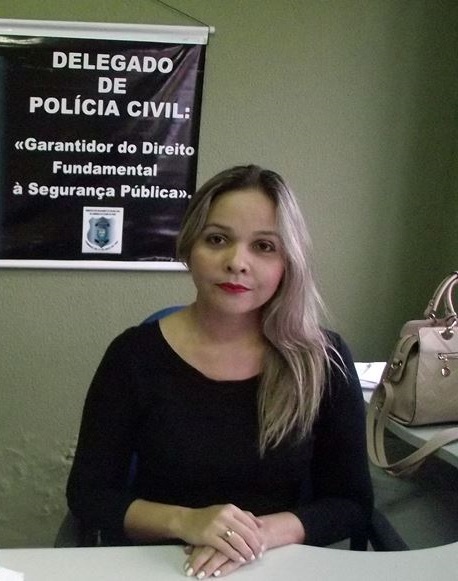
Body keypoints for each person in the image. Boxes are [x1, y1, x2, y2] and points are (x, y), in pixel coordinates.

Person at [67, 164, 373, 578]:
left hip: (275, 565)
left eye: (264, 246)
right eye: (217, 239)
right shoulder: (132, 356)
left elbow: (351, 504)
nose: (237, 262)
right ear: (189, 247)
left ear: (288, 261)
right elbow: (89, 495)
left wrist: (252, 536)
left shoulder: (323, 360)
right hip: (159, 567)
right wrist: (187, 521)